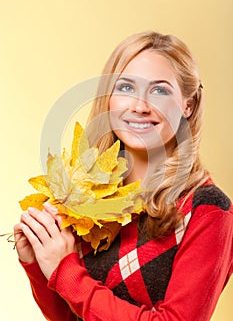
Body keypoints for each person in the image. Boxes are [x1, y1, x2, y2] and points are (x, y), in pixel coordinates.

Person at [14, 31, 233, 321]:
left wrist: (64, 270)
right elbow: (72, 317)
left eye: (160, 91)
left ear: (187, 105)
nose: (139, 106)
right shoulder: (89, 196)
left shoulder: (207, 209)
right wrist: (37, 264)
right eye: (126, 88)